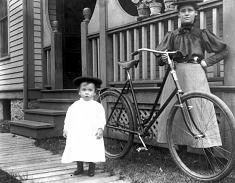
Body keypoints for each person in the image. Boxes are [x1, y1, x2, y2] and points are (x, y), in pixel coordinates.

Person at [156, 0, 228, 147]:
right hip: (176, 75)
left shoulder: (202, 34)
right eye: (183, 11)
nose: (186, 13)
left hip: (195, 74)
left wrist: (207, 62)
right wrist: (164, 58)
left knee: (200, 109)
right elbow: (160, 58)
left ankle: (209, 151)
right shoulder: (172, 35)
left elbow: (224, 50)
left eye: (189, 10)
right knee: (176, 111)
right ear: (178, 15)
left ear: (196, 13)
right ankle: (179, 152)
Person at [61, 76, 106, 177]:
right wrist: (66, 128)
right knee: (78, 148)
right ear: (79, 92)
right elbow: (68, 118)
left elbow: (101, 119)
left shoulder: (97, 106)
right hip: (79, 133)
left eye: (90, 90)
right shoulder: (74, 106)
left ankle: (91, 168)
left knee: (91, 149)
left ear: (94, 92)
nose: (87, 92)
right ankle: (80, 167)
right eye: (84, 90)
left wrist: (100, 128)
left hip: (91, 133)